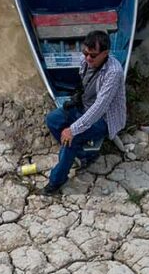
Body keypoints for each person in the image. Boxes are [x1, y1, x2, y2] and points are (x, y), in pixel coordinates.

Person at [42, 30, 126, 195]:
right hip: (83, 107)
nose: (88, 58)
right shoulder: (86, 61)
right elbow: (83, 83)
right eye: (85, 53)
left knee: (70, 140)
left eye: (93, 55)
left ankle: (55, 182)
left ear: (105, 53)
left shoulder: (113, 73)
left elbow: (99, 108)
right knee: (52, 120)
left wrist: (73, 130)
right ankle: (83, 155)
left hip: (103, 118)